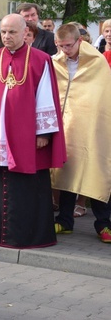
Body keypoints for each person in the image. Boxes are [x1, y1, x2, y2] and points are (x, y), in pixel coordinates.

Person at [0, 14, 66, 248]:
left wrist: (43, 133)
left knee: (26, 185)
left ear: (25, 33)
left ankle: (26, 235)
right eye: (4, 32)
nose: (7, 36)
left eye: (12, 32)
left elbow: (46, 96)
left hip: (25, 134)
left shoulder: (40, 59)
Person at [51, 24, 111, 242]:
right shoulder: (55, 62)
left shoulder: (97, 62)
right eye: (60, 46)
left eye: (68, 45)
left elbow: (103, 97)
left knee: (95, 171)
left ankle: (104, 224)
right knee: (68, 171)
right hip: (65, 127)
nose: (64, 50)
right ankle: (65, 220)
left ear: (80, 41)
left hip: (92, 128)